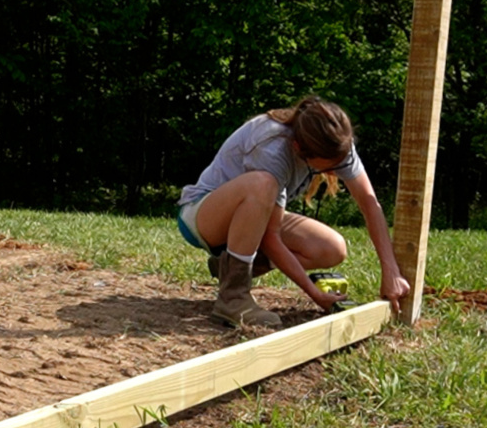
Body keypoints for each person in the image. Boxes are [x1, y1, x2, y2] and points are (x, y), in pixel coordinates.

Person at [176, 95, 411, 328]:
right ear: (299, 148)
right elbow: (271, 237)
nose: (336, 171)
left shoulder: (336, 143)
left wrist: (391, 271)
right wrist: (315, 294)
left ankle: (229, 267)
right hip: (203, 217)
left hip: (252, 218)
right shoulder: (273, 147)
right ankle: (233, 298)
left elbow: (369, 204)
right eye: (330, 166)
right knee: (262, 184)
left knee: (331, 248)